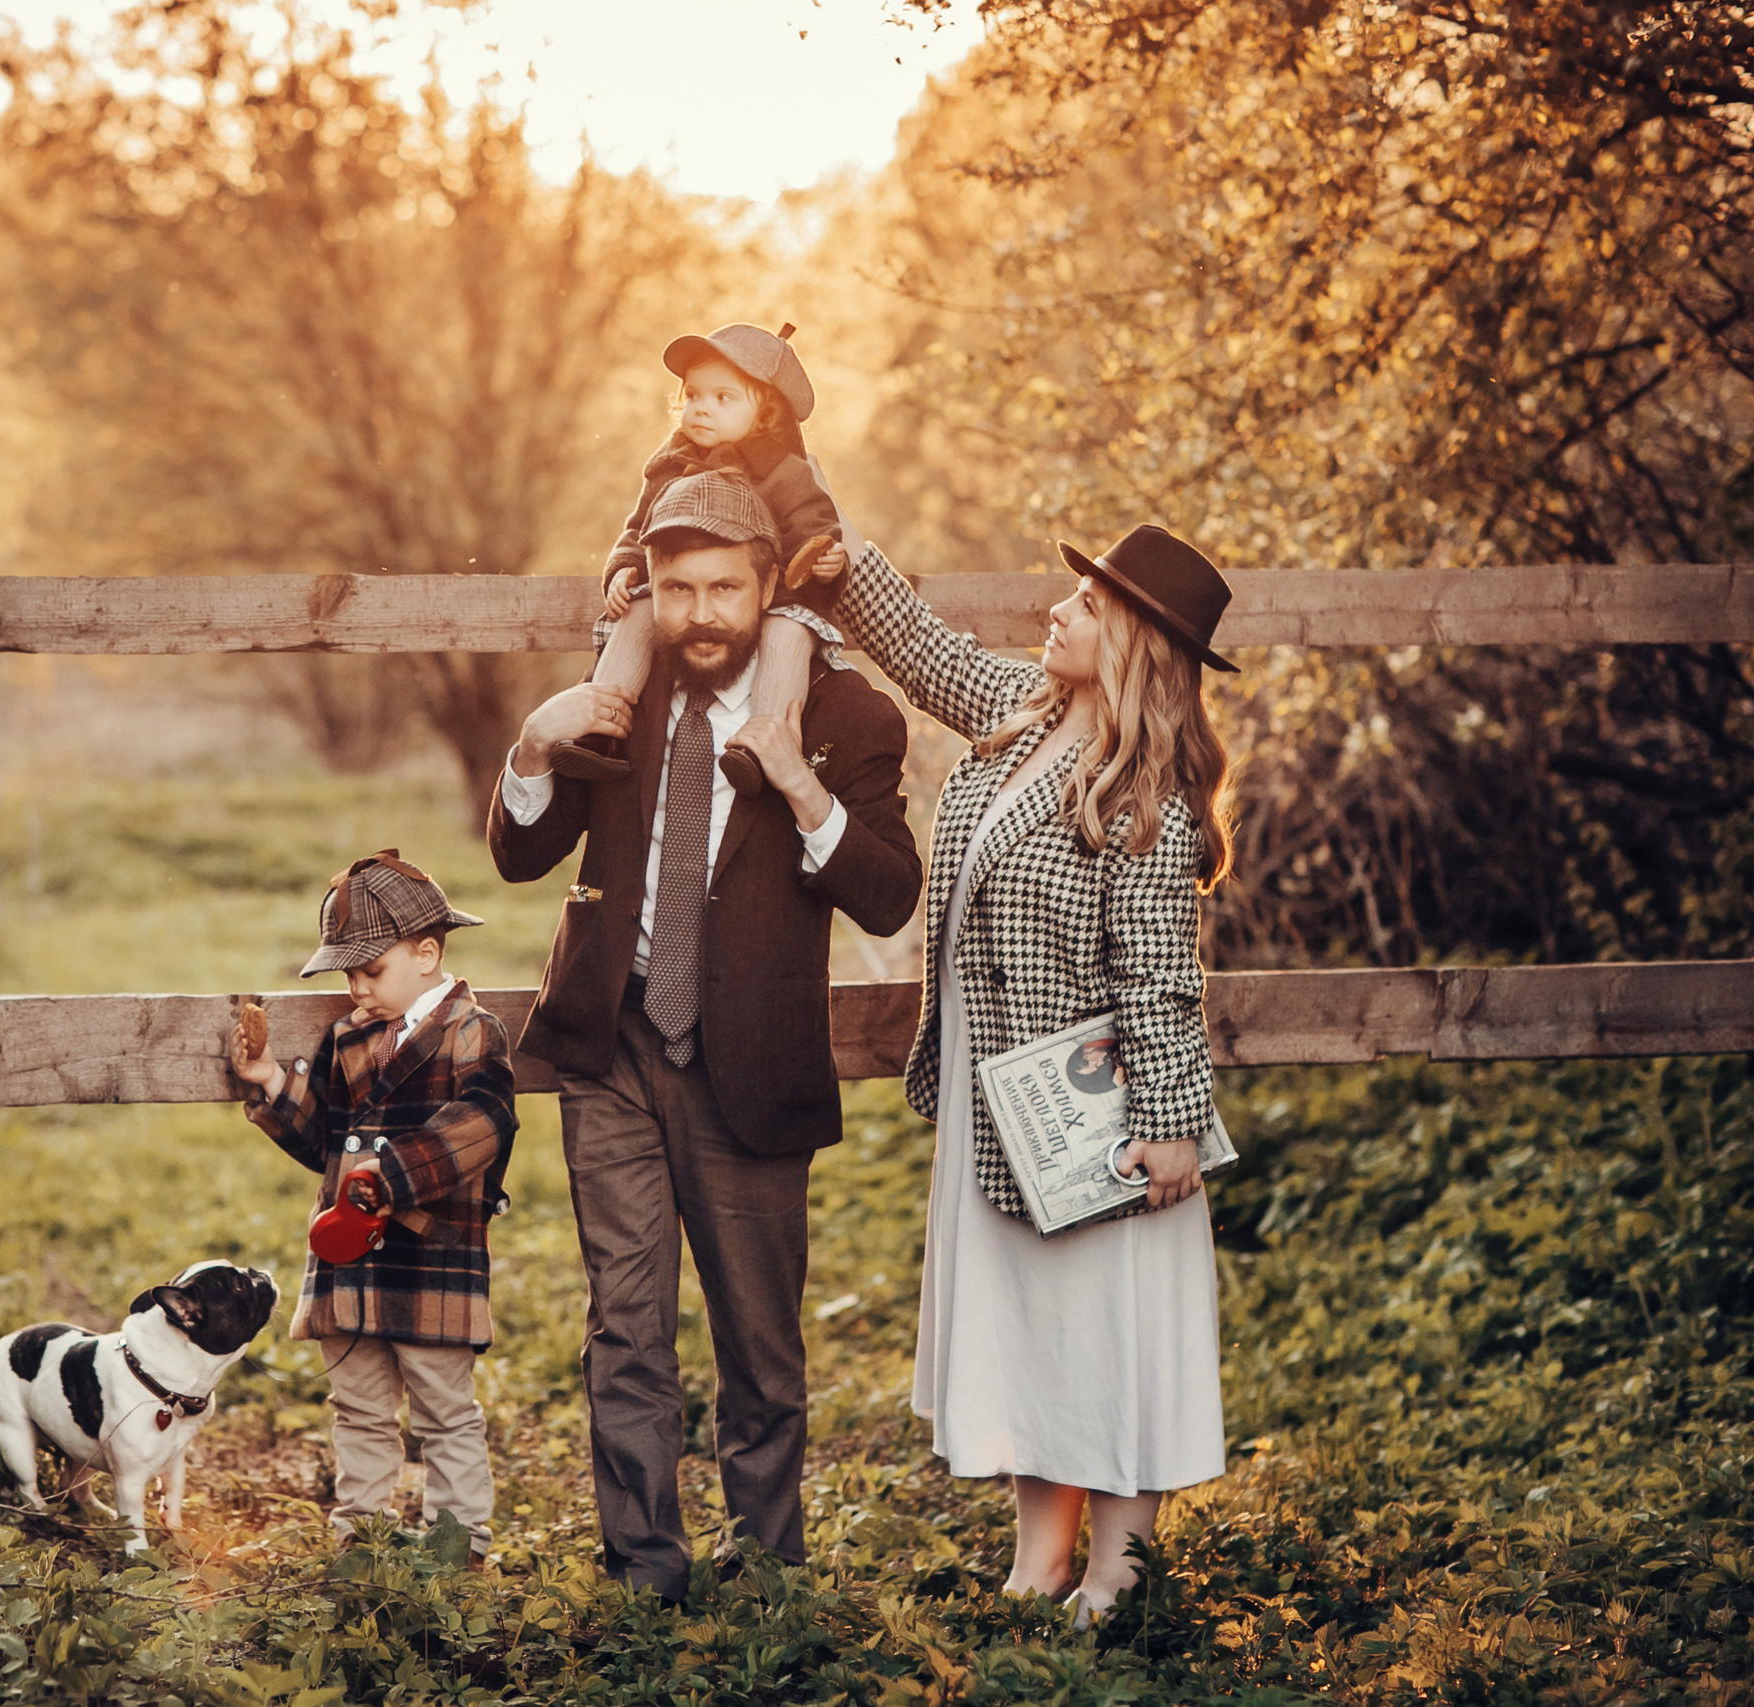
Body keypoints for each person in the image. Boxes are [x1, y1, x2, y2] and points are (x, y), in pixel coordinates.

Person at [490, 469, 923, 1601]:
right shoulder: (617, 699)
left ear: (769, 585)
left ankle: (767, 1567)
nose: (702, 614)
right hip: (613, 1046)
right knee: (624, 1330)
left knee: (760, 1343)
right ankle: (645, 1572)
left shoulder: (846, 718)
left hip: (752, 1064)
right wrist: (533, 750)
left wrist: (799, 790)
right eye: (678, 589)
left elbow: (887, 896)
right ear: (652, 590)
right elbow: (519, 857)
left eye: (726, 587)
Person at [830, 522, 1238, 1625]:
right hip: (997, 1093)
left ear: (1131, 645)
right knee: (1024, 1325)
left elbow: (1159, 978)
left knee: (1106, 1330)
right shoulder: (1023, 716)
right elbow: (919, 647)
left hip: (1094, 1113)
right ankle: (1039, 1557)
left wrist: (1168, 1125)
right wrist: (823, 535)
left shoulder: (1143, 788)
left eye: (1086, 604)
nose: (1056, 610)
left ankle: (1117, 1572)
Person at [232, 850, 518, 1564]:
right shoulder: (349, 1037)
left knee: (444, 1412)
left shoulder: (474, 1034)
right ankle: (362, 1534)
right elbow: (325, 1141)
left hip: (431, 1261)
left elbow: (482, 1126)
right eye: (348, 974)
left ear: (427, 953)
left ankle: (460, 1545)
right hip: (347, 1261)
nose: (357, 988)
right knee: (357, 1407)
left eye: (371, 970)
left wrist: (387, 1176)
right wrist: (271, 1080)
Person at [550, 322, 851, 799]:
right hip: (688, 587)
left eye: (723, 398)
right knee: (636, 615)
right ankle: (598, 732)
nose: (701, 408)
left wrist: (826, 559)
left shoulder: (785, 470)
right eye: (693, 395)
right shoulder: (669, 462)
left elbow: (815, 527)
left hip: (778, 595)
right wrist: (625, 567)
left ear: (766, 410)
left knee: (788, 636)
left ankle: (762, 751)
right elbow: (638, 526)